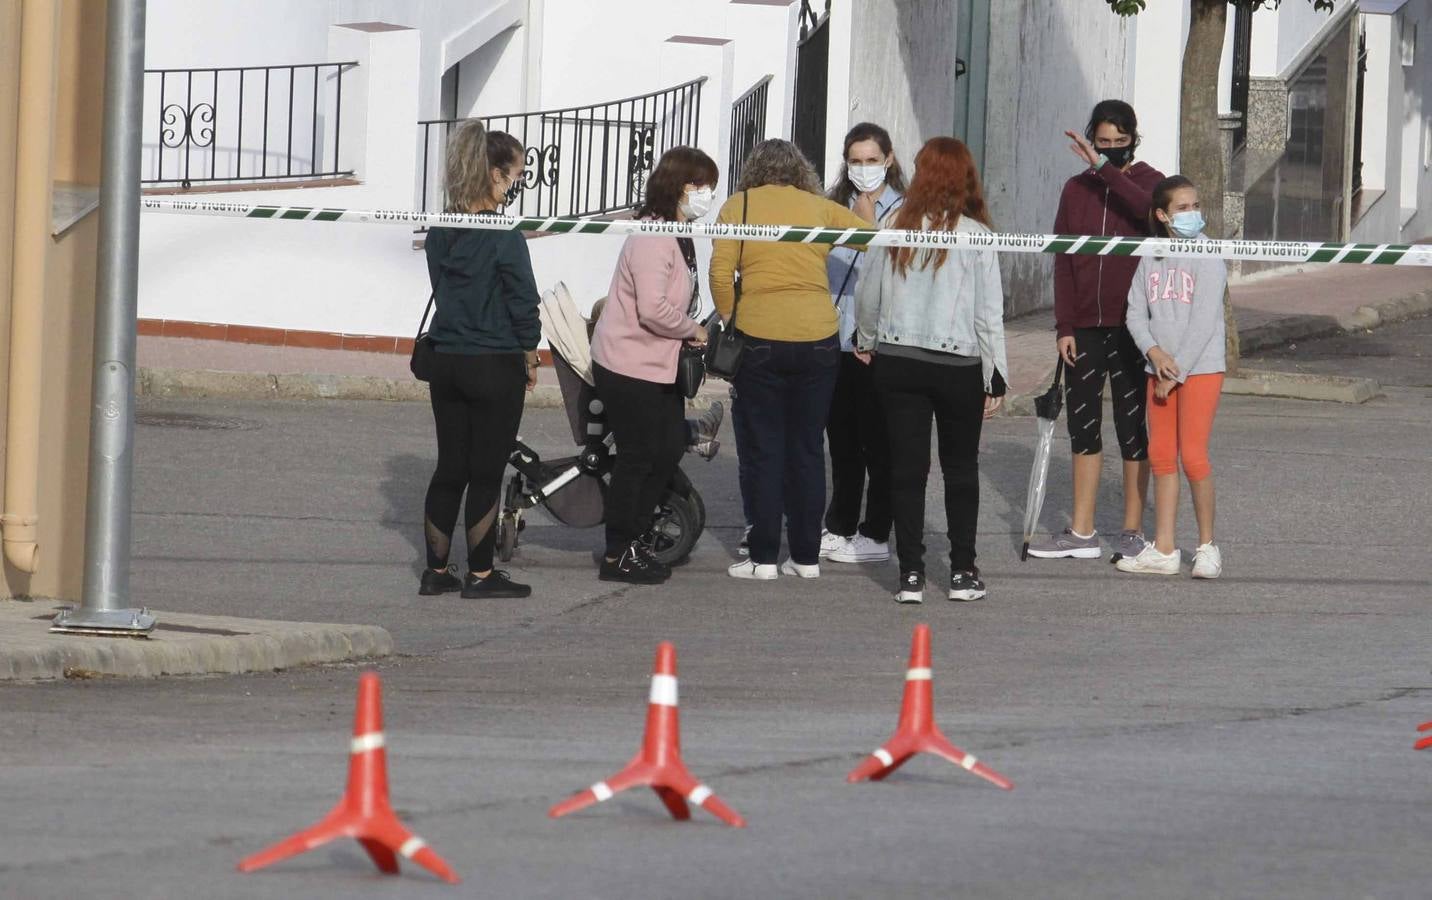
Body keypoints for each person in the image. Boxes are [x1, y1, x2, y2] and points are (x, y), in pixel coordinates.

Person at [854, 137, 1009, 604]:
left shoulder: (892, 224)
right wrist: (994, 372)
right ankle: (962, 571)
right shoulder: (977, 234)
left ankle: (912, 575)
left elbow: (868, 292)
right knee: (961, 468)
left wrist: (865, 339)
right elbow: (988, 312)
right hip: (958, 363)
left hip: (899, 360)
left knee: (908, 469)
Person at [710, 139, 872, 580]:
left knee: (763, 450)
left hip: (759, 336)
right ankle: (805, 556)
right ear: (801, 172)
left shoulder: (738, 206)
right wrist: (868, 203)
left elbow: (720, 273)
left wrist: (730, 316)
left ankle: (762, 557)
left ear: (753, 171)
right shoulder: (817, 206)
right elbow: (866, 236)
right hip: (819, 337)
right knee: (806, 449)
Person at [1027, 100, 1165, 563]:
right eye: (1101, 143)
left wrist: (1107, 170)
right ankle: (1081, 531)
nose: (1109, 151)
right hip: (1083, 326)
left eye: (1119, 145)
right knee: (1083, 427)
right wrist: (1064, 325)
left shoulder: (1148, 182)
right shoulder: (1073, 190)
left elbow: (1147, 212)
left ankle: (1132, 529)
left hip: (1132, 326)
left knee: (1132, 428)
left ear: (1133, 141)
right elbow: (1063, 259)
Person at [419, 122, 539, 599]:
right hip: (493, 360)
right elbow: (523, 301)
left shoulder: (441, 228)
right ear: (493, 175)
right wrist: (530, 354)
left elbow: (441, 288)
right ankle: (482, 575)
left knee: (450, 467)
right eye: (513, 177)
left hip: (446, 359)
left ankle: (436, 571)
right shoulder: (504, 233)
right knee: (486, 471)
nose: (514, 187)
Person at [590, 147, 717, 584]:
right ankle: (617, 552)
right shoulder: (653, 236)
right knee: (638, 456)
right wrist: (694, 330)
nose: (707, 196)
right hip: (629, 364)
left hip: (654, 364)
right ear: (679, 187)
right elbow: (652, 308)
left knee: (664, 449)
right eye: (701, 187)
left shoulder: (678, 234)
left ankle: (635, 539)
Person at [1116, 175, 1226, 578]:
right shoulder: (1152, 254)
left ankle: (1207, 546)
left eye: (1195, 205)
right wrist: (1154, 352)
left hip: (1200, 368)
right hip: (1159, 369)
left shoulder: (1209, 254)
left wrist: (1175, 371)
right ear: (1162, 215)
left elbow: (1203, 321)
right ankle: (1164, 548)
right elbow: (1133, 312)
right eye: (1182, 208)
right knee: (1162, 455)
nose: (1192, 213)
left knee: (1193, 455)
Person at [820, 123, 906, 566]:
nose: (864, 169)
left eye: (872, 160)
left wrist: (866, 225)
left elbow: (892, 274)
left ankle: (876, 531)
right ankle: (841, 525)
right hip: (835, 340)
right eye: (856, 160)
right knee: (843, 442)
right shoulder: (832, 206)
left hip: (878, 343)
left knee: (880, 443)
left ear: (889, 160)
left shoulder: (904, 211)